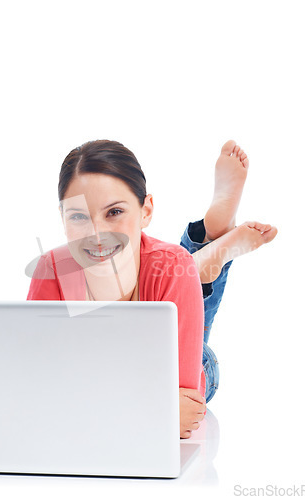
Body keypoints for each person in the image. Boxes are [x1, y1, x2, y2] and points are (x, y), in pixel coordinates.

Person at [27, 139, 277, 439]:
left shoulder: (170, 268)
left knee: (177, 270)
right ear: (62, 216)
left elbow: (184, 407)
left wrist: (89, 401)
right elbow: (38, 389)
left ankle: (202, 259)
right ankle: (204, 259)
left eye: (114, 212)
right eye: (78, 216)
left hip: (197, 366)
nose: (95, 235)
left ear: (146, 211)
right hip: (157, 338)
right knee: (180, 270)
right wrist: (156, 407)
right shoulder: (50, 270)